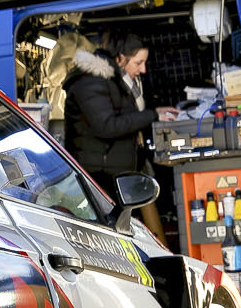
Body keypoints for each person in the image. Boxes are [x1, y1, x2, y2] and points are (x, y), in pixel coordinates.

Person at [64, 32, 179, 201]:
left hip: (111, 171)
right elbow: (107, 126)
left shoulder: (113, 79)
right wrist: (152, 115)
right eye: (138, 63)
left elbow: (125, 115)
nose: (143, 70)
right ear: (120, 58)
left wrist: (156, 112)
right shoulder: (91, 82)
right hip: (99, 176)